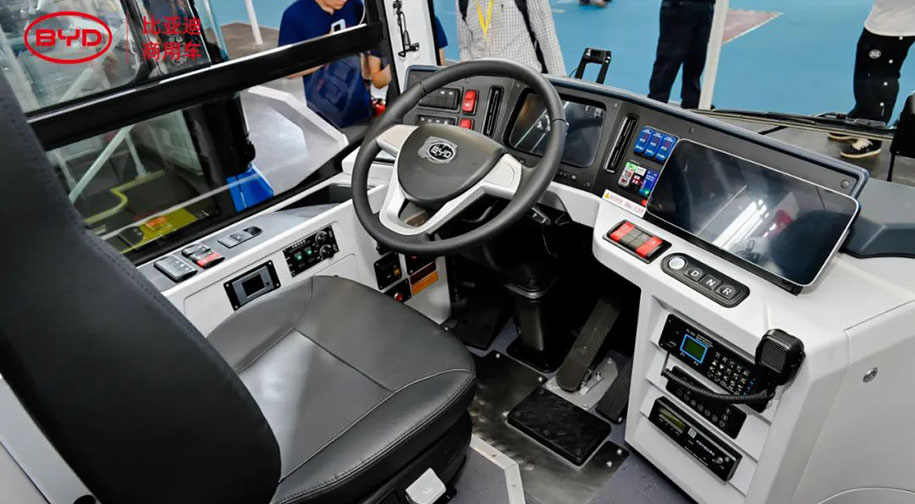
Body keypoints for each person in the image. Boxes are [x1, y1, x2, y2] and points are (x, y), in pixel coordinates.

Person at [832, 0, 915, 159]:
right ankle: (862, 116)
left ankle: (873, 133)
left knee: (881, 78)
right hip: (879, 20)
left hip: (899, 26)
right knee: (865, 73)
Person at [278, 0, 379, 128]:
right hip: (322, 115)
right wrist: (328, 51)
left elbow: (368, 49)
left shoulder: (355, 6)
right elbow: (288, 70)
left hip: (361, 108)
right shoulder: (294, 15)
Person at [456, 0, 565, 76]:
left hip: (524, 81)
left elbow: (548, 39)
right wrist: (468, 79)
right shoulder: (462, 1)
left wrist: (561, 90)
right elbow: (465, 47)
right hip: (483, 84)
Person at [647, 0, 715, 109]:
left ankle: (692, 99)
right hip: (678, 6)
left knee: (697, 56)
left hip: (705, 6)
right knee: (670, 57)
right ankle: (657, 100)